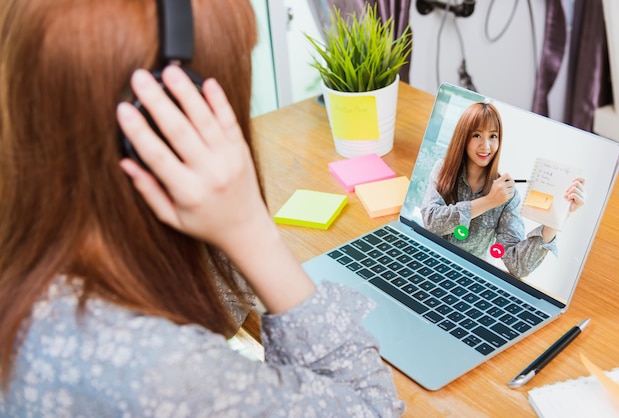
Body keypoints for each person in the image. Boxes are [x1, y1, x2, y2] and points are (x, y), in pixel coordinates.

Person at [0, 0, 404, 416]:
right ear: (166, 126)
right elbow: (371, 406)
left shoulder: (37, 265)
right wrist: (251, 231)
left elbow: (208, 306)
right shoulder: (162, 372)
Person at [420, 102, 585, 278]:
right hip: (428, 261)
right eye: (477, 135)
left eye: (493, 136)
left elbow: (517, 265)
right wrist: (489, 201)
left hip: (467, 277)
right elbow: (431, 221)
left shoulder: (508, 196)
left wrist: (555, 219)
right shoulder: (442, 169)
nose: (486, 145)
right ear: (463, 137)